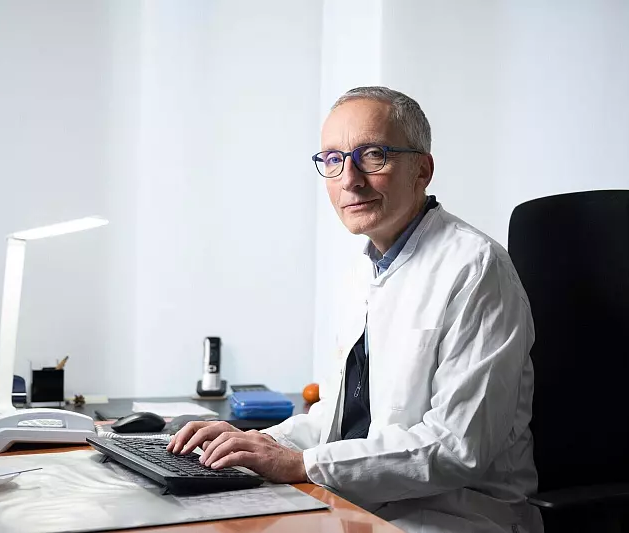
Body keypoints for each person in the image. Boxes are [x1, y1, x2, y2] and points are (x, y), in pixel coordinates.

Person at [168, 86, 543, 533]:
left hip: (453, 516)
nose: (349, 179)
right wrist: (258, 442)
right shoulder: (362, 272)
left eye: (373, 155)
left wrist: (299, 464)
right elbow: (337, 418)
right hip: (356, 505)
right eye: (332, 159)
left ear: (422, 170)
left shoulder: (476, 267)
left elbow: (456, 447)